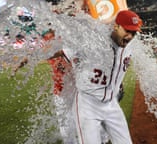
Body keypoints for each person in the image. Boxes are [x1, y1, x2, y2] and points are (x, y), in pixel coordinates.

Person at [50, 10, 142, 144]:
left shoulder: (131, 45)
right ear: (116, 26)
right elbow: (61, 52)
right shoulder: (93, 42)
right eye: (127, 31)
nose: (130, 36)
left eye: (134, 33)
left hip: (111, 104)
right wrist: (29, 58)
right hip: (88, 104)